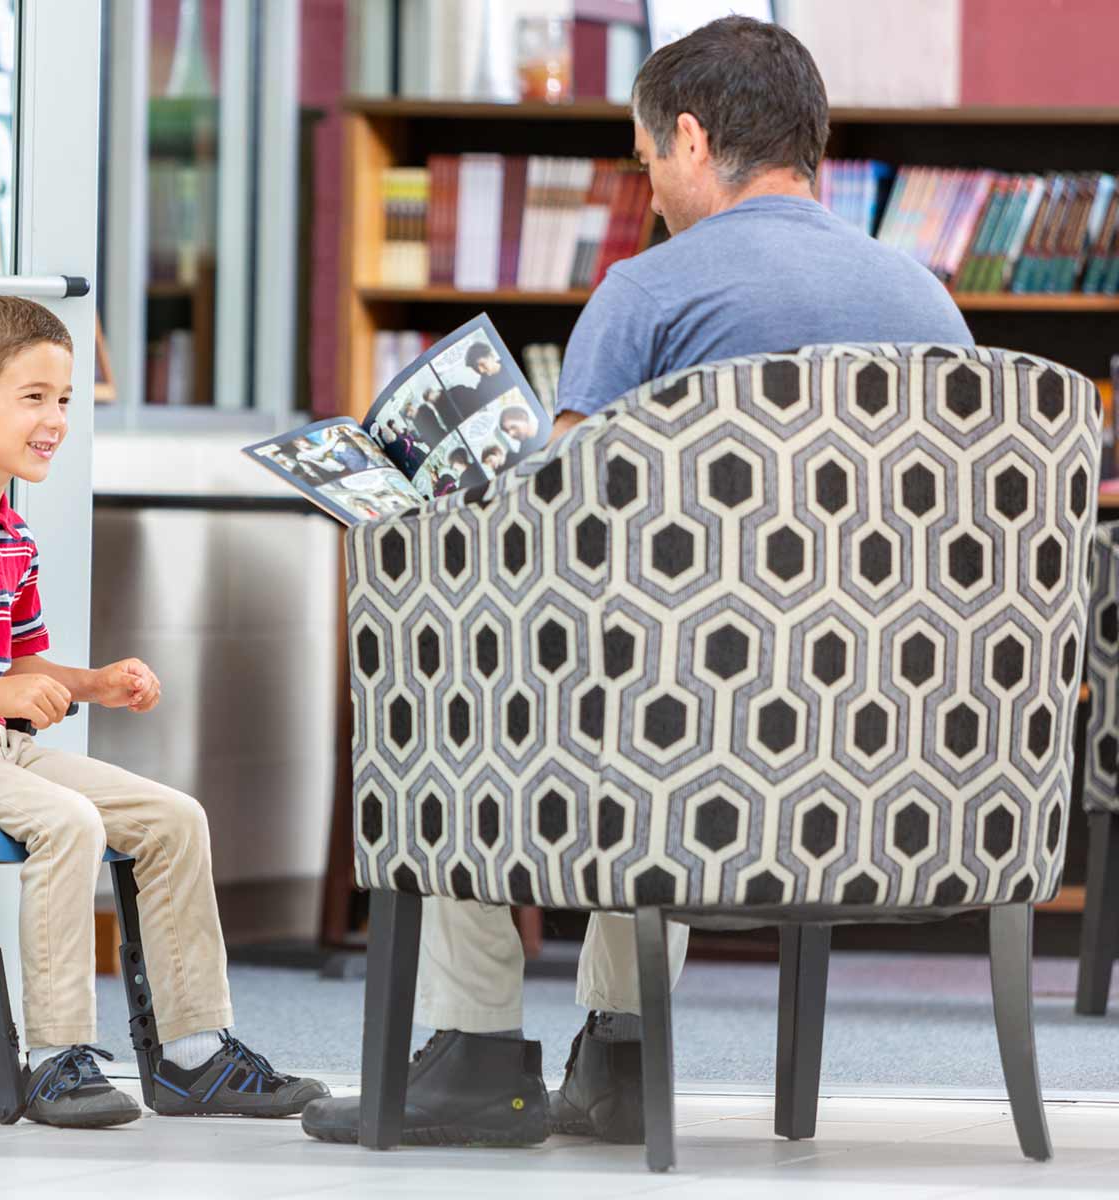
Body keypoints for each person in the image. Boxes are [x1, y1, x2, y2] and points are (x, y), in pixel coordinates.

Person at [303, 15, 972, 1149]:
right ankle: (618, 1056)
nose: (647, 187)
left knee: (462, 680)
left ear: (694, 140)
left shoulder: (646, 290)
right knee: (658, 672)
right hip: (889, 745)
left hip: (687, 738)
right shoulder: (930, 308)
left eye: (647, 156)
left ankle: (475, 1051)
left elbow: (564, 529)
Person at [0, 295, 328, 1130]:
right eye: (34, 398)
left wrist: (93, 684)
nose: (57, 419)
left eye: (64, 400)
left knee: (173, 818)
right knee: (68, 823)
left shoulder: (8, 528)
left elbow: (19, 664)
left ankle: (194, 1057)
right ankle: (55, 1060)